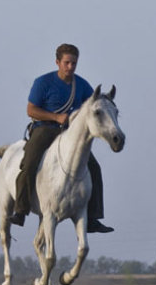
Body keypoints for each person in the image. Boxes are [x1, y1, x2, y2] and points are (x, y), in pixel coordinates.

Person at [9, 44, 114, 233]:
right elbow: (31, 110)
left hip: (69, 134)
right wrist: (56, 117)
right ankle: (20, 209)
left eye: (74, 63)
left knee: (94, 167)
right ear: (58, 62)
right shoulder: (43, 82)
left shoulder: (81, 85)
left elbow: (94, 104)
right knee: (29, 162)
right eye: (66, 63)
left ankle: (93, 218)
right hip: (45, 129)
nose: (70, 67)